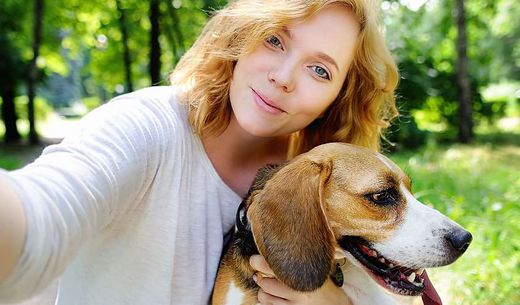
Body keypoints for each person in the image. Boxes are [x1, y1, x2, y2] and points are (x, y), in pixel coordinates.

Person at [0, 0, 399, 304]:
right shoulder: (144, 126)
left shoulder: (333, 188)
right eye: (274, 39)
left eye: (320, 70)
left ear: (341, 95)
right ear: (242, 34)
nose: (283, 77)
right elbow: (46, 208)